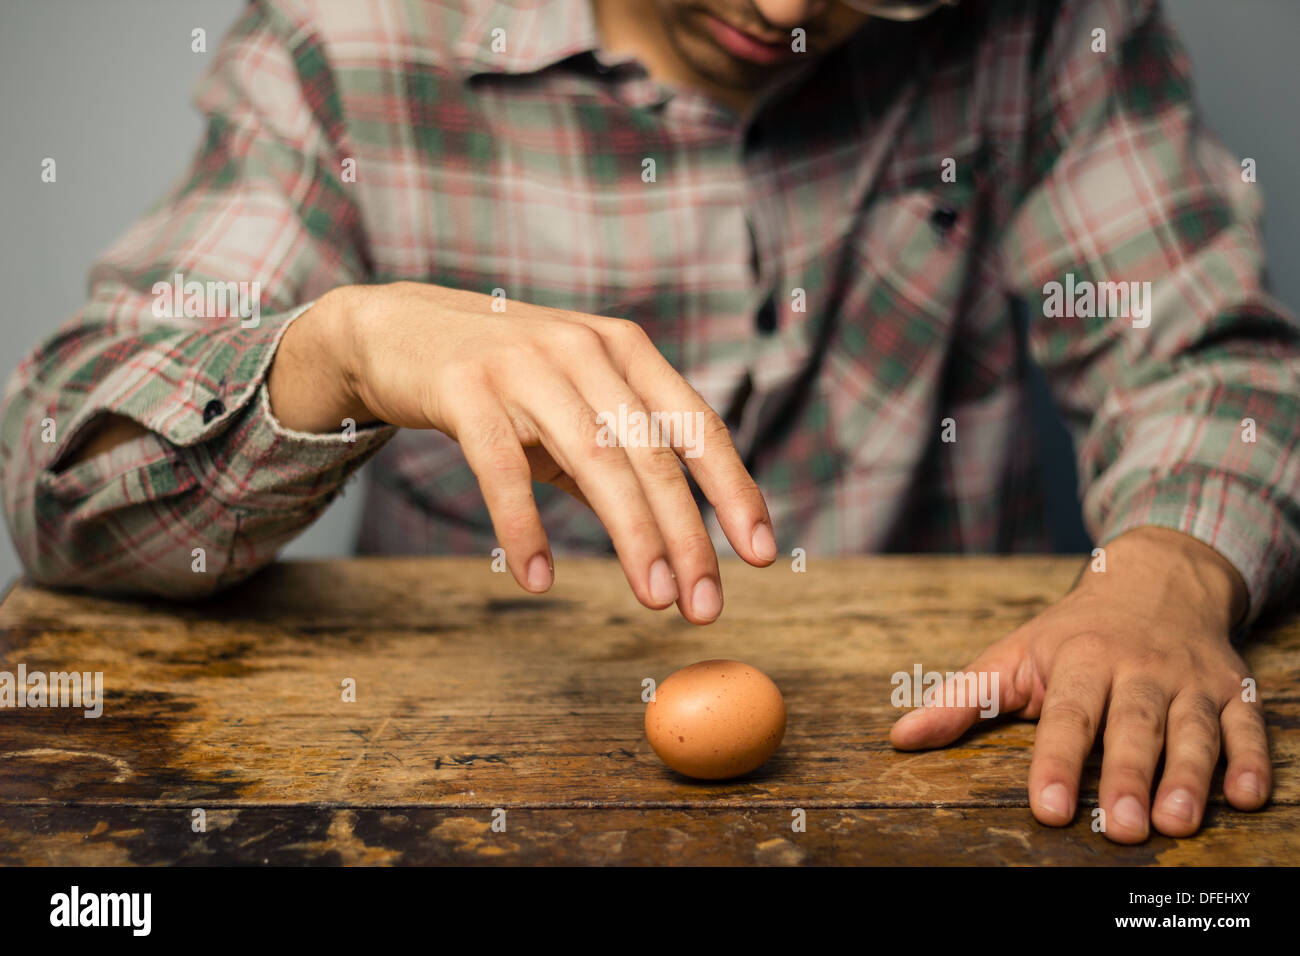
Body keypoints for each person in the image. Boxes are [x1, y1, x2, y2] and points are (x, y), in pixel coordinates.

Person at [2, 0, 1296, 845]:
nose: (789, 11)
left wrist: (1169, 573)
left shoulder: (1041, 25)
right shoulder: (349, 46)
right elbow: (58, 484)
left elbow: (1206, 356)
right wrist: (340, 352)